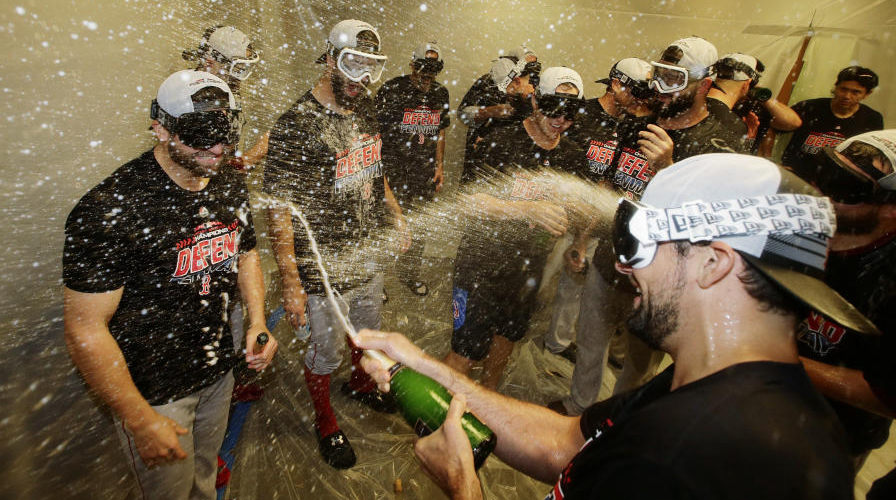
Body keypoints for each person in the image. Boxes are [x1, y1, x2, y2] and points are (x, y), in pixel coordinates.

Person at [357, 153, 876, 500]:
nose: (624, 264)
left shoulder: (688, 456)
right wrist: (427, 368)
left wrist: (462, 483)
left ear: (713, 263)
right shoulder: (711, 386)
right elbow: (566, 442)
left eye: (639, 242)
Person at [63, 71, 278, 500]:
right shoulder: (111, 209)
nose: (218, 149)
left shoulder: (228, 180)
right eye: (201, 135)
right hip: (156, 393)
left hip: (217, 373)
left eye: (226, 133)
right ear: (160, 127)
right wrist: (140, 419)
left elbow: (246, 252)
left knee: (204, 478)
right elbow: (84, 329)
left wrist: (257, 320)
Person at [262, 19, 410, 470]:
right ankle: (325, 420)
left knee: (365, 334)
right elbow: (278, 209)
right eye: (352, 64)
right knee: (323, 351)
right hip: (321, 267)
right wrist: (290, 281)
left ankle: (360, 385)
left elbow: (375, 170)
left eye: (371, 67)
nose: (362, 78)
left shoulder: (365, 107)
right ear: (329, 58)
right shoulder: (296, 124)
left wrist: (396, 214)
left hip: (367, 254)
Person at [545, 59, 674, 414]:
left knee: (587, 298)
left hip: (620, 233)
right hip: (573, 208)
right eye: (635, 89)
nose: (639, 98)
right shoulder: (583, 114)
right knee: (560, 283)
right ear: (616, 84)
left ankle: (612, 401)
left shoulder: (640, 130)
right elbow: (563, 156)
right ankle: (556, 344)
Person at [445, 67, 584, 390]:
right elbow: (470, 201)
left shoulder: (571, 156)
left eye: (570, 113)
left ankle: (488, 400)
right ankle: (437, 420)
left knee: (507, 336)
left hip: (528, 268)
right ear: (535, 102)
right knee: (466, 352)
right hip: (482, 264)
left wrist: (579, 237)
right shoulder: (502, 142)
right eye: (553, 110)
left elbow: (577, 206)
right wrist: (524, 209)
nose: (561, 121)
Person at [796, 131, 896, 476]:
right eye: (825, 173)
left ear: (891, 208)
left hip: (830, 437)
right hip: (754, 402)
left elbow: (887, 394)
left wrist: (772, 359)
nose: (822, 194)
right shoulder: (803, 221)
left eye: (845, 188)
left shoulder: (889, 278)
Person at [374, 41, 452, 296]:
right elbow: (374, 132)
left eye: (434, 69)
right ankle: (378, 281)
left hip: (423, 171)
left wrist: (439, 165)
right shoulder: (392, 89)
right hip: (394, 170)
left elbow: (440, 130)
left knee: (418, 226)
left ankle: (408, 274)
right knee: (387, 224)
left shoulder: (440, 94)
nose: (428, 74)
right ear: (413, 65)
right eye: (423, 67)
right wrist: (378, 170)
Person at [182, 25, 270, 171]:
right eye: (237, 68)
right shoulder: (190, 99)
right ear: (209, 62)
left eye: (243, 68)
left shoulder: (228, 90)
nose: (239, 76)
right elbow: (194, 162)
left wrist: (246, 159)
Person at [780, 66, 883, 186]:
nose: (847, 96)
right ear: (836, 86)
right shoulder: (809, 107)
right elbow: (773, 127)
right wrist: (767, 157)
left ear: (867, 94)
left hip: (836, 184)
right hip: (795, 176)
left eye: (856, 92)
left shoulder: (872, 119)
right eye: (843, 89)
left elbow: (871, 158)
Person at [457, 52, 539, 183]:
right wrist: (490, 112)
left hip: (511, 168)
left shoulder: (536, 95)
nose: (505, 93)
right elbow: (462, 114)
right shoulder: (489, 81)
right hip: (478, 161)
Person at [706, 53, 801, 149]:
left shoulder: (753, 105)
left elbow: (793, 123)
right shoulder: (729, 117)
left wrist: (763, 97)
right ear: (748, 83)